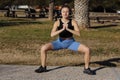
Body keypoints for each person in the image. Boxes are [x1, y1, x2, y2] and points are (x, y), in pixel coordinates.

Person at [35, 5, 94, 75]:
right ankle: (43, 67)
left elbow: (78, 34)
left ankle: (86, 68)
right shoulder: (57, 22)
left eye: (67, 12)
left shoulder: (73, 22)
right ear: (61, 13)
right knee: (43, 48)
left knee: (87, 50)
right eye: (63, 12)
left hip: (71, 43)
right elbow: (52, 34)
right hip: (59, 42)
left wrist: (68, 29)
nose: (65, 13)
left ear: (69, 13)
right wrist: (62, 29)